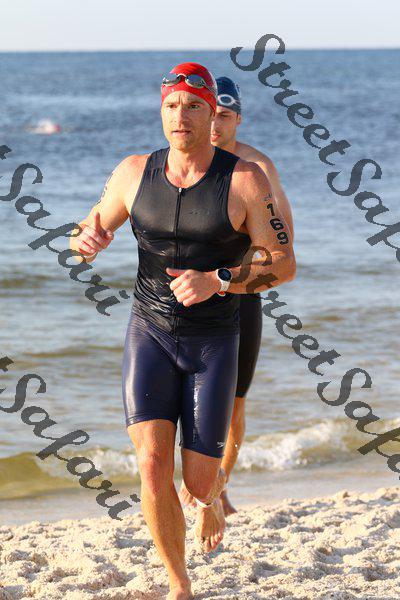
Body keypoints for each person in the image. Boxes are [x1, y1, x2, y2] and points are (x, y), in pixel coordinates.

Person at [70, 62, 296, 600]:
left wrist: (220, 279)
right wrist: (86, 240)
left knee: (197, 481)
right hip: (149, 330)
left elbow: (283, 263)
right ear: (162, 111)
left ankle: (211, 497)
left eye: (194, 106)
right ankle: (180, 584)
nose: (181, 116)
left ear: (212, 114)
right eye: (172, 105)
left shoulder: (245, 179)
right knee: (151, 465)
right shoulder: (133, 172)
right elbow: (92, 224)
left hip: (213, 340)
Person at [179, 76, 294, 516]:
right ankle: (191, 478)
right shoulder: (182, 163)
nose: (215, 125)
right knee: (180, 395)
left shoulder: (255, 167)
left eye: (225, 116)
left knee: (234, 400)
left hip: (238, 292)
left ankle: (220, 484)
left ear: (237, 119)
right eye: (212, 114)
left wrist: (232, 270)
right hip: (185, 293)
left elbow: (284, 245)